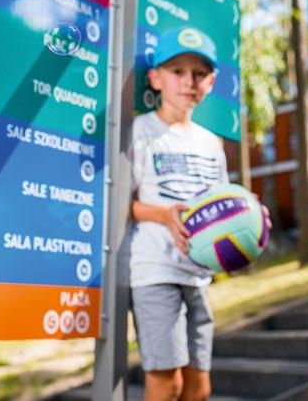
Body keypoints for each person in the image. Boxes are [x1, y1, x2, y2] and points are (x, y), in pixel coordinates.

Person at [128, 26, 225, 401]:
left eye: (199, 74)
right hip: (155, 271)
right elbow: (126, 205)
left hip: (198, 275)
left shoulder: (210, 143)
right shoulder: (141, 131)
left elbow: (221, 207)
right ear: (155, 77)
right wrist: (164, 214)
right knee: (167, 384)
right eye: (177, 72)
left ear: (211, 81)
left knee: (198, 387)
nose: (189, 82)